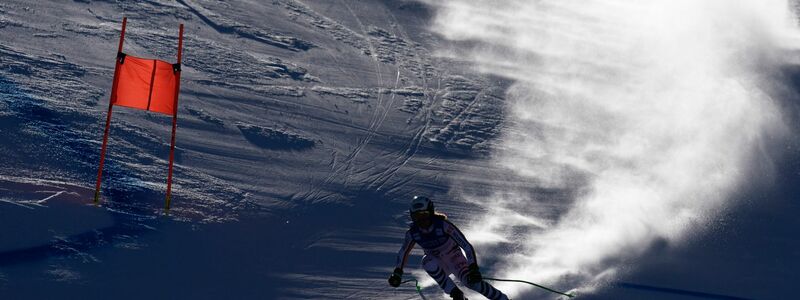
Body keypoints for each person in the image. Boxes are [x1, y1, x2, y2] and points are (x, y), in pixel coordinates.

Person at [388, 196, 509, 300]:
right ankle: (456, 293)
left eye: (424, 215)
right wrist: (398, 272)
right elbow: (404, 251)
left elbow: (466, 246)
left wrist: (473, 267)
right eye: (416, 217)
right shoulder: (413, 233)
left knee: (473, 283)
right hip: (438, 262)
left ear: (430, 212)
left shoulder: (444, 226)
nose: (421, 221)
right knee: (427, 262)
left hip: (455, 258)